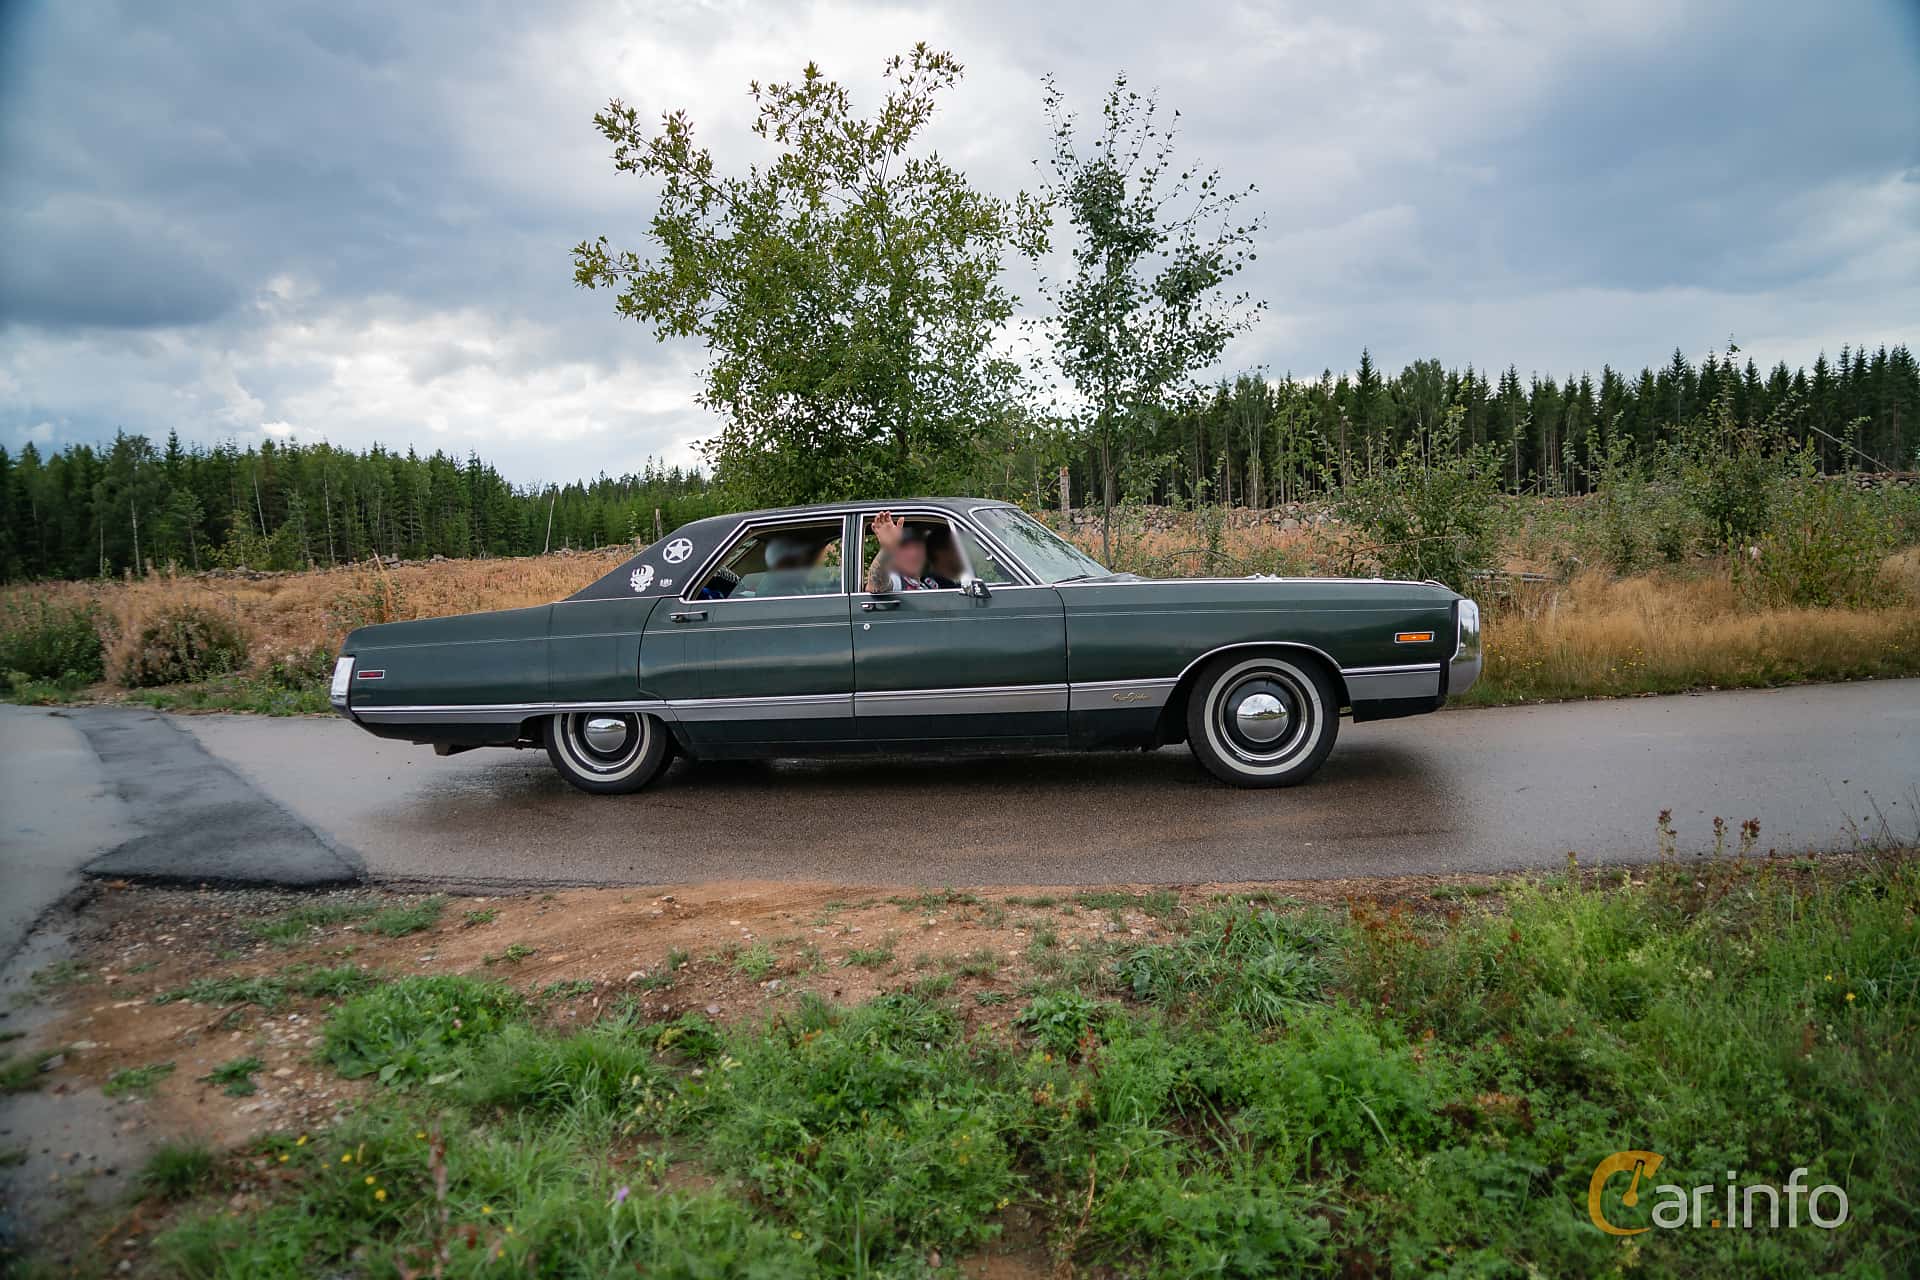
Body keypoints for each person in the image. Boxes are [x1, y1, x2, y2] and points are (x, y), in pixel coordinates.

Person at [865, 511, 938, 593]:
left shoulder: (928, 583)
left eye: (918, 548)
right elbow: (876, 586)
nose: (914, 554)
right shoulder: (897, 580)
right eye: (907, 549)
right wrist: (887, 548)